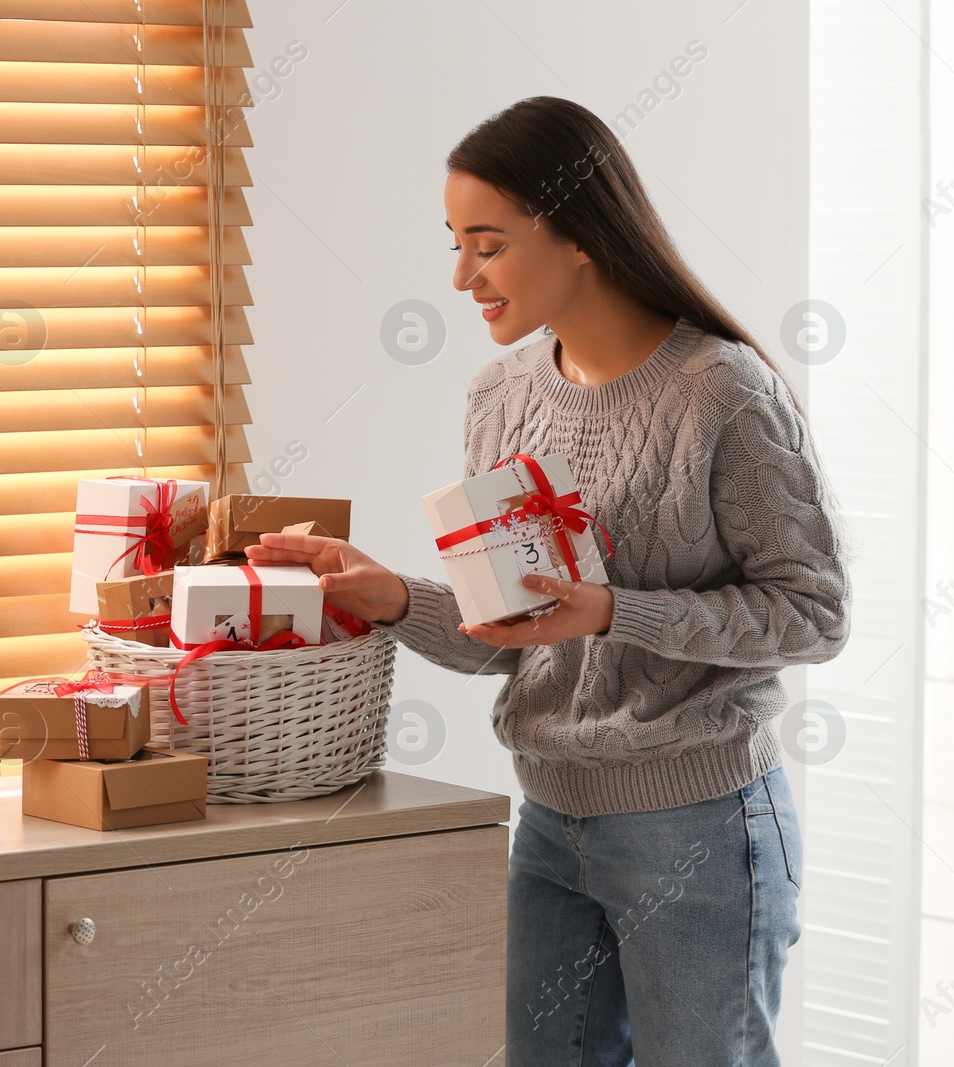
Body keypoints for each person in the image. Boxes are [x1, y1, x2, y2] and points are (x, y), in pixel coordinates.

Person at [243, 96, 853, 1065]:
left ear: (579, 236)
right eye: (453, 243)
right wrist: (390, 595)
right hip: (551, 824)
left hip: (696, 833)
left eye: (485, 244)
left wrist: (616, 610)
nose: (459, 276)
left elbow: (814, 614)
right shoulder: (500, 396)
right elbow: (516, 632)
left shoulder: (724, 396)